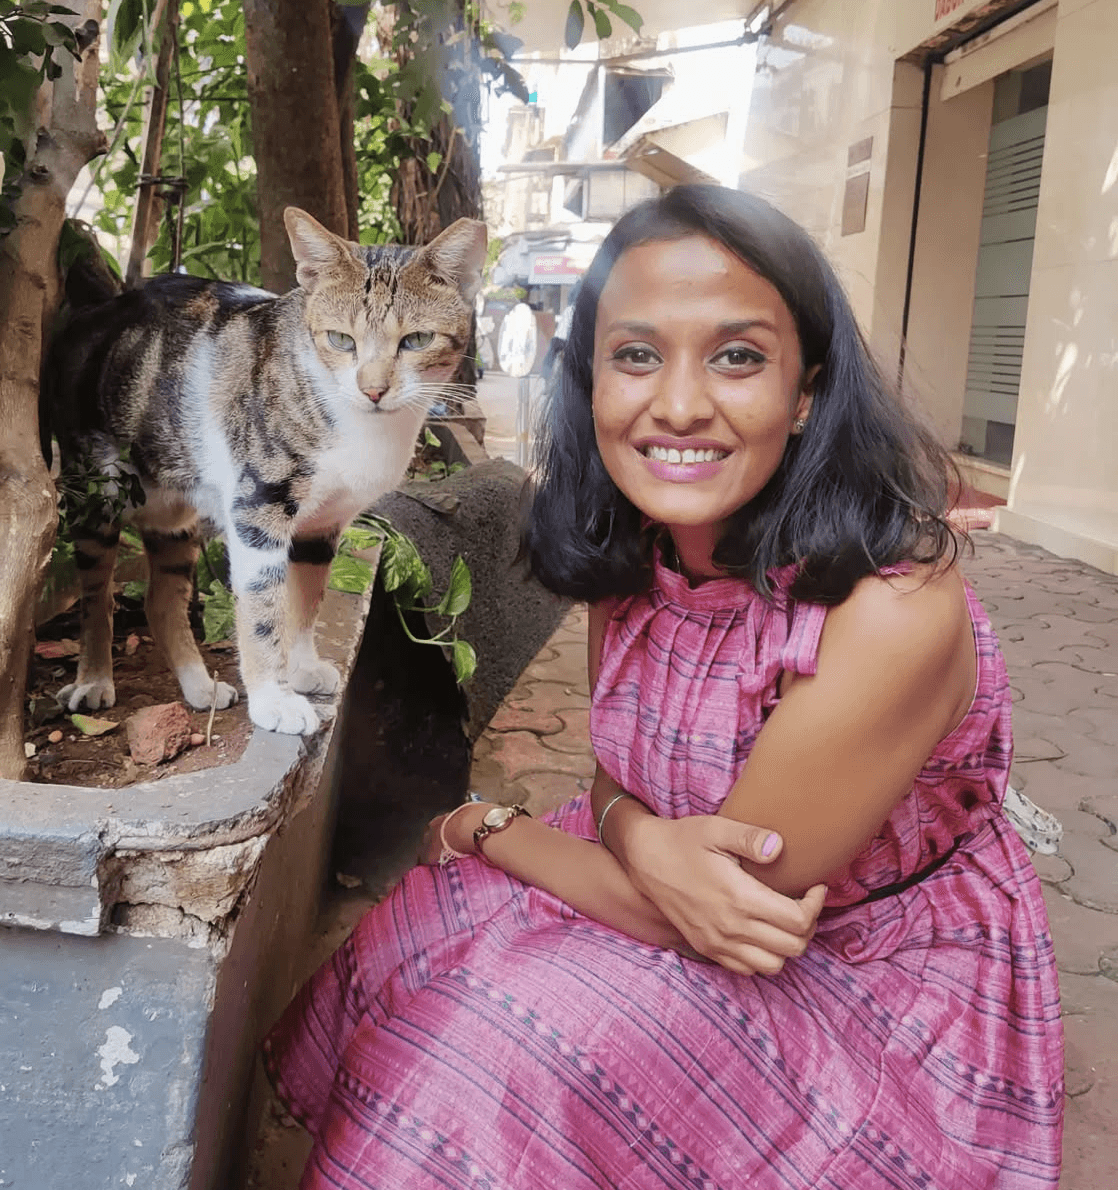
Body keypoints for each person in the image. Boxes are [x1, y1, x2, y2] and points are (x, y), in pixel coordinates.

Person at [264, 184, 1063, 1188]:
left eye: (736, 355)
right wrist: (636, 832)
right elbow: (614, 779)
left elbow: (716, 914)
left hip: (848, 957)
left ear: (806, 388)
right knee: (425, 923)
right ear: (590, 378)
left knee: (489, 1043)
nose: (679, 404)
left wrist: (486, 825)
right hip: (669, 868)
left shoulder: (891, 612)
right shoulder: (642, 542)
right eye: (637, 354)